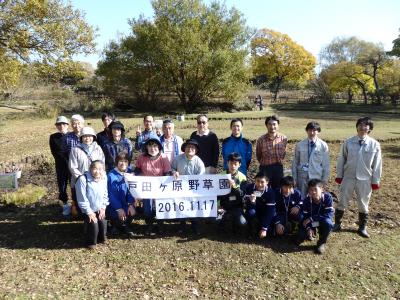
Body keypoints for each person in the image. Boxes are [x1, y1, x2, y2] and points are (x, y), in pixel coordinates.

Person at [333, 117, 382, 238]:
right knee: (342, 201)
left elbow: (377, 164)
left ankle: (362, 227)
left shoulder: (374, 144)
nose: (362, 127)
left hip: (365, 179)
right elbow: (341, 159)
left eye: (366, 125)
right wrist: (339, 176)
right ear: (357, 126)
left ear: (369, 128)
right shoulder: (348, 142)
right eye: (360, 124)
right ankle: (337, 224)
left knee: (363, 204)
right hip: (348, 177)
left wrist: (375, 181)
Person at [134, 138, 172, 235]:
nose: (152, 148)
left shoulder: (163, 157)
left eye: (155, 146)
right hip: (147, 188)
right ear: (146, 147)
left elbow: (167, 172)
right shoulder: (141, 157)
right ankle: (149, 225)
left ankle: (160, 225)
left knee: (160, 206)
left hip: (160, 187)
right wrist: (132, 176)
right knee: (147, 209)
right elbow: (137, 170)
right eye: (150, 146)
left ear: (159, 147)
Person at [171, 139, 205, 234]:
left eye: (193, 147)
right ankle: (182, 225)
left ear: (196, 150)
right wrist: (174, 172)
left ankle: (195, 225)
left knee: (194, 205)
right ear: (184, 149)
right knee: (181, 204)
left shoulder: (199, 162)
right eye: (188, 147)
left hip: (194, 188)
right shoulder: (177, 159)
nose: (190, 149)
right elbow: (172, 168)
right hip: (180, 188)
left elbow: (201, 176)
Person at [69, 127, 105, 214]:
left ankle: (95, 214)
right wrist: (82, 179)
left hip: (95, 180)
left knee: (94, 199)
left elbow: (102, 163)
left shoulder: (98, 148)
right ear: (81, 138)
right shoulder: (75, 150)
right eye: (85, 136)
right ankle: (84, 217)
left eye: (89, 136)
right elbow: (72, 167)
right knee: (81, 200)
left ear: (93, 137)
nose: (87, 138)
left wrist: (100, 176)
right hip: (80, 180)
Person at [76, 160, 109, 249]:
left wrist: (103, 208)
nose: (98, 171)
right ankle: (90, 242)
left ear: (103, 170)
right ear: (90, 169)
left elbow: (105, 194)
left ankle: (102, 238)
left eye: (100, 169)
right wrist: (89, 212)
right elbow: (82, 198)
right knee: (93, 224)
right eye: (95, 168)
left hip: (98, 207)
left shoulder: (104, 178)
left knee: (102, 222)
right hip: (86, 208)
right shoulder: (83, 179)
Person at [292, 121, 330, 197]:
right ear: (306, 131)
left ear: (318, 131)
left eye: (314, 130)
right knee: (301, 198)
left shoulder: (323, 146)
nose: (312, 133)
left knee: (315, 198)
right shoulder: (300, 145)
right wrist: (294, 178)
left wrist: (324, 181)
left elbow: (326, 165)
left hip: (316, 177)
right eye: (310, 130)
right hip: (302, 177)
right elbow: (295, 162)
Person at [297, 179, 334, 254]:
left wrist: (312, 218)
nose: (313, 192)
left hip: (321, 221)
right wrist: (308, 228)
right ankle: (310, 233)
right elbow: (304, 217)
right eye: (311, 190)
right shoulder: (306, 201)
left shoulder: (328, 198)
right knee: (300, 236)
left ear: (322, 189)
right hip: (311, 223)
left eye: (315, 189)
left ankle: (321, 242)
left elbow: (328, 214)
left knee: (328, 223)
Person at [107, 152, 135, 238]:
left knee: (131, 211)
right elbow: (111, 195)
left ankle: (126, 226)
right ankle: (115, 225)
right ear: (116, 162)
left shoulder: (131, 173)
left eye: (125, 161)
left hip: (126, 203)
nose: (123, 163)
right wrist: (118, 209)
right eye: (120, 161)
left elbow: (132, 191)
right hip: (115, 205)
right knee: (117, 215)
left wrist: (131, 204)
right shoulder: (111, 175)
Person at [217, 153, 247, 234]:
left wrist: (234, 186)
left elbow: (242, 194)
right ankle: (224, 220)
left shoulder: (242, 177)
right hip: (224, 206)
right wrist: (218, 206)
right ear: (227, 163)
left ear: (239, 165)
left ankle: (235, 221)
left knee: (242, 222)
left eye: (235, 164)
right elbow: (217, 194)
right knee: (217, 220)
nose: (233, 166)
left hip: (237, 206)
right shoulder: (221, 175)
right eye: (231, 163)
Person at [256, 115, 288, 189]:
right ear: (266, 126)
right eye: (269, 124)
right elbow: (258, 155)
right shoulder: (261, 139)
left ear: (278, 125)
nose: (272, 126)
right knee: (264, 188)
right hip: (265, 168)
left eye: (274, 124)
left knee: (278, 188)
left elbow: (284, 153)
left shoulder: (284, 138)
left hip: (278, 167)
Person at [243, 172, 276, 239]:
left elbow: (270, 212)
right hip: (254, 211)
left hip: (265, 213)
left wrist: (264, 229)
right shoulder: (249, 188)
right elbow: (246, 206)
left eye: (262, 182)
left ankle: (263, 228)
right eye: (258, 181)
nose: (260, 184)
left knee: (269, 231)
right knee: (251, 212)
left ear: (267, 182)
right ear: (255, 181)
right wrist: (252, 202)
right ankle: (251, 230)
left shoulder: (270, 192)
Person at [49, 116, 71, 216]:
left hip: (73, 167)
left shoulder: (72, 136)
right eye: (59, 124)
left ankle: (76, 205)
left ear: (67, 125)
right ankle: (66, 205)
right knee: (62, 187)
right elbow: (55, 153)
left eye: (63, 124)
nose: (61, 126)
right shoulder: (53, 137)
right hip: (60, 166)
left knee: (75, 187)